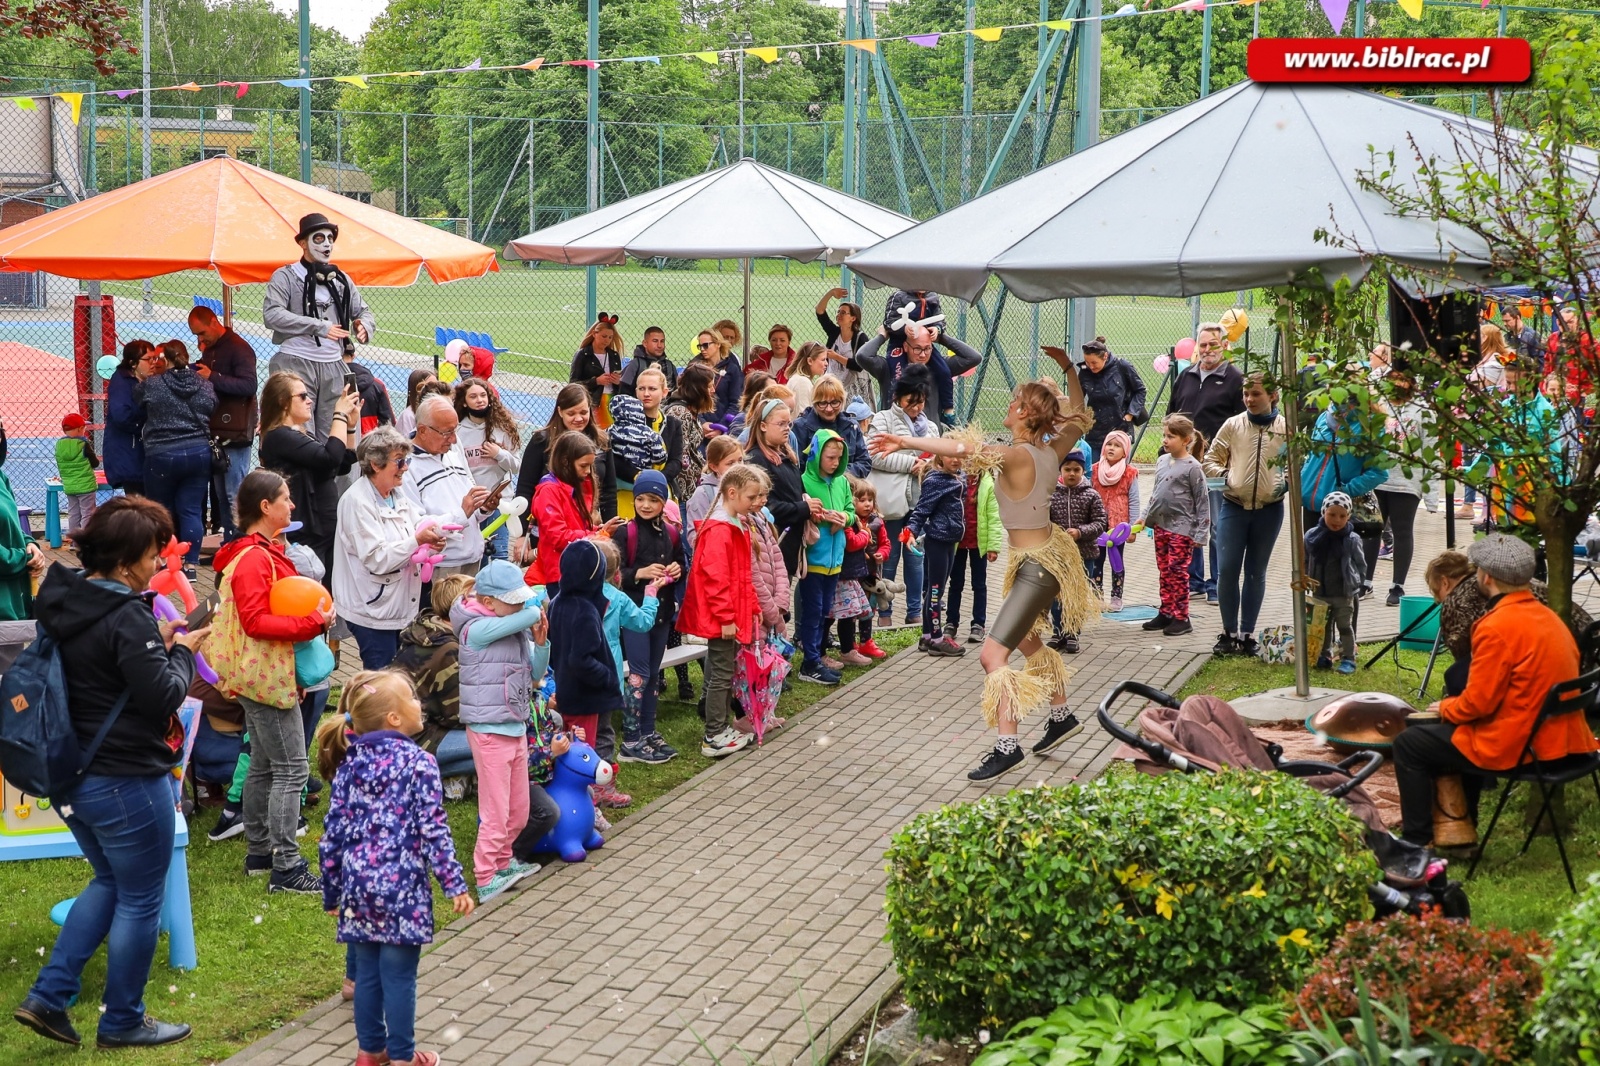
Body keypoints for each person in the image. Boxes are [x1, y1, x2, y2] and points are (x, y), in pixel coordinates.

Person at [13, 498, 206, 1051]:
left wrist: (158, 650)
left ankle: (49, 997)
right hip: (122, 777)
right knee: (141, 897)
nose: (156, 565)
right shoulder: (128, 615)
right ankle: (122, 1018)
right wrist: (184, 652)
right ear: (125, 563)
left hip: (71, 773)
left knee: (111, 881)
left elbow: (106, 673)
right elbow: (163, 696)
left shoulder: (68, 598)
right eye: (151, 556)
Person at [870, 355, 1097, 779]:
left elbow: (963, 448)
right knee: (1028, 641)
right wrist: (1069, 369)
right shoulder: (1053, 449)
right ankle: (1062, 715)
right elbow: (1080, 415)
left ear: (1025, 413)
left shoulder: (1018, 456)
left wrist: (906, 443)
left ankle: (1007, 746)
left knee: (993, 655)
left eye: (1014, 402)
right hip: (1047, 558)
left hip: (1038, 566)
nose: (1009, 405)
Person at [1393, 535, 1595, 846]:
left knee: (1410, 743)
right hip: (1569, 743)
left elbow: (1477, 706)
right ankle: (1461, 831)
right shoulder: (1550, 615)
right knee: (1456, 729)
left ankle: (1415, 842)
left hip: (1527, 747)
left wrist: (1445, 708)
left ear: (1486, 577)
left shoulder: (1496, 625)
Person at [315, 670, 474, 1066]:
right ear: (394, 719)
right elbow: (434, 831)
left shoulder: (350, 765)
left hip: (359, 889)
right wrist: (454, 885)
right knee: (400, 978)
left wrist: (332, 891)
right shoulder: (420, 763)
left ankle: (370, 1052)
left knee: (367, 975)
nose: (421, 704)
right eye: (413, 699)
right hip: (403, 891)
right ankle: (403, 1058)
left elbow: (332, 835)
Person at [211, 470, 335, 894]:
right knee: (292, 769)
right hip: (265, 676)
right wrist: (312, 623)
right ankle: (286, 866)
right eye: (285, 498)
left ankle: (260, 854)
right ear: (265, 507)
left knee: (263, 764)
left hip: (260, 672)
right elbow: (256, 621)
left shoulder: (257, 553)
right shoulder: (254, 559)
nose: (293, 505)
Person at [450, 559, 549, 901]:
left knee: (518, 809)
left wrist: (542, 642)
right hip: (489, 731)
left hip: (515, 725)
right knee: (495, 811)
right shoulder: (475, 629)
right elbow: (531, 613)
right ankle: (485, 874)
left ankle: (505, 862)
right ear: (488, 601)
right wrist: (535, 608)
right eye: (514, 599)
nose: (521, 605)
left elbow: (536, 672)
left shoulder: (512, 624)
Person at [334, 427, 450, 670]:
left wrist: (432, 534)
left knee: (397, 681)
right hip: (373, 613)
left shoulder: (395, 493)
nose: (406, 467)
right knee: (382, 686)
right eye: (399, 461)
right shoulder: (357, 502)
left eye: (406, 460)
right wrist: (417, 540)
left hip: (397, 608)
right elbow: (377, 558)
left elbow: (416, 520)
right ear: (376, 464)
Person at [678, 464, 765, 759]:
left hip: (731, 615)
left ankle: (720, 728)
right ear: (732, 493)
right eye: (751, 497)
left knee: (723, 672)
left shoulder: (734, 524)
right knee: (721, 675)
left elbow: (742, 575)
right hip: (723, 619)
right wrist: (727, 618)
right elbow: (716, 579)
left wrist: (752, 606)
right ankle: (714, 734)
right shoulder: (720, 530)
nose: (755, 503)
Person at [264, 213, 375, 439]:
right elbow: (272, 315)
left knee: (338, 431)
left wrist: (364, 325)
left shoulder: (341, 279)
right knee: (299, 432)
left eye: (330, 238)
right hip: (296, 363)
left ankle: (335, 474)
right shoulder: (285, 276)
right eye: (319, 238)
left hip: (334, 366)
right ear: (303, 243)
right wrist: (318, 326)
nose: (326, 243)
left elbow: (363, 310)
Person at [1425, 549, 1591, 697]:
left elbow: (1469, 661)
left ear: (1445, 582)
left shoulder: (1456, 602)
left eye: (1435, 591)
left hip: (1549, 669)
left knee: (1456, 676)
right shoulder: (1502, 579)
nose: (1437, 599)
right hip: (1583, 647)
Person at [1203, 375, 1287, 656]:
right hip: (1233, 506)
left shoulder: (1286, 428)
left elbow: (1299, 463)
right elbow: (1209, 460)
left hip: (1269, 510)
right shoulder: (1233, 424)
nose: (1249, 399)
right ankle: (1228, 634)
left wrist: (1283, 483)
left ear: (1273, 396)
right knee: (1226, 569)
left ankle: (1247, 634)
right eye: (1246, 394)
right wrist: (1228, 476)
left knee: (1255, 573)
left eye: (1256, 394)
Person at [613, 470, 684, 765]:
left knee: (654, 674)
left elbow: (680, 562)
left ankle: (647, 730)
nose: (644, 505)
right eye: (640, 498)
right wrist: (638, 574)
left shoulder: (670, 533)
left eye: (652, 499)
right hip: (634, 615)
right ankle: (630, 741)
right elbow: (613, 575)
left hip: (661, 613)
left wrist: (679, 571)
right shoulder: (624, 533)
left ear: (662, 501)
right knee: (639, 674)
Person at [1169, 322, 1243, 603]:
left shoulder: (1235, 379)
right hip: (1186, 463)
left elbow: (1241, 425)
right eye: (1203, 345)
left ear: (1224, 346)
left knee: (1215, 525)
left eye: (1213, 344)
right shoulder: (1185, 376)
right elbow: (1171, 416)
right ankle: (1194, 580)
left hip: (1217, 466)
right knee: (1189, 522)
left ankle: (1217, 584)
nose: (1208, 350)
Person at [259, 371, 359, 580]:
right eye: (303, 396)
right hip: (307, 530)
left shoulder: (298, 434)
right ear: (283, 402)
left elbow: (341, 464)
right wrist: (338, 414)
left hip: (322, 529)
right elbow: (329, 458)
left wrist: (349, 427)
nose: (310, 400)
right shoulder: (280, 436)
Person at [866, 366, 940, 627]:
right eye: (911, 401)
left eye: (921, 403)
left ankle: (914, 613)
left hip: (920, 503)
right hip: (892, 502)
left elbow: (937, 458)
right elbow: (874, 455)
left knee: (916, 558)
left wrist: (928, 465)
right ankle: (884, 614)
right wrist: (913, 463)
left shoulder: (931, 427)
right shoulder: (883, 419)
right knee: (889, 556)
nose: (916, 408)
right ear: (898, 396)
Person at [393, 573, 476, 790]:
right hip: (417, 738)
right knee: (496, 745)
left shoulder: (428, 629)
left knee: (489, 755)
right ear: (461, 607)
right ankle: (421, 776)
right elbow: (456, 716)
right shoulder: (448, 649)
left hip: (401, 734)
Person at [138, 340, 215, 570]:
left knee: (161, 509)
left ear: (165, 360)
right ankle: (191, 564)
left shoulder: (154, 384)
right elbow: (212, 405)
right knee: (191, 509)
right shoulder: (202, 383)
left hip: (162, 452)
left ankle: (163, 560)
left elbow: (137, 399)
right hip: (199, 451)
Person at [1300, 398, 1388, 597]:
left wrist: (1345, 492)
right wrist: (1300, 482)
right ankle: (1317, 621)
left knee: (1339, 573)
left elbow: (1379, 472)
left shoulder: (1369, 424)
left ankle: (1344, 621)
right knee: (1314, 567)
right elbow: (1313, 459)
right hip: (1312, 503)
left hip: (1339, 510)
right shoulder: (1325, 416)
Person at [405, 395, 495, 579]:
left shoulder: (452, 454)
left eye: (456, 431)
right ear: (422, 430)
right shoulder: (406, 468)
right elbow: (416, 527)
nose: (454, 440)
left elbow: (470, 511)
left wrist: (484, 507)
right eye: (447, 433)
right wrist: (462, 513)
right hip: (440, 566)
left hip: (471, 560)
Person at [190, 305, 258, 538]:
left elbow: (249, 386)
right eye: (196, 335)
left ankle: (238, 544)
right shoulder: (213, 348)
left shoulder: (239, 349)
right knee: (222, 494)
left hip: (235, 433)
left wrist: (213, 377)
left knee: (233, 494)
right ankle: (229, 543)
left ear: (213, 322)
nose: (200, 339)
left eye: (201, 333)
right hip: (218, 431)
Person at [546, 538, 619, 753]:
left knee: (567, 747)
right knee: (583, 751)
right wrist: (606, 676)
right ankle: (589, 787)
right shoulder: (585, 610)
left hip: (565, 689)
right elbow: (581, 659)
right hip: (584, 695)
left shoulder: (557, 601)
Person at [514, 383, 617, 534]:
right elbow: (525, 488)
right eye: (571, 413)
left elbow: (608, 491)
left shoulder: (602, 441)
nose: (578, 418)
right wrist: (523, 534)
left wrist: (610, 530)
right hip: (547, 529)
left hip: (587, 528)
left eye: (583, 412)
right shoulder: (542, 441)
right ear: (560, 412)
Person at [526, 432, 620, 591]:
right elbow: (558, 536)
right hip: (559, 573)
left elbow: (578, 528)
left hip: (577, 568)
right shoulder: (549, 491)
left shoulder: (576, 486)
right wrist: (595, 536)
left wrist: (600, 530)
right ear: (565, 462)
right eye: (583, 466)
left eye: (590, 465)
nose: (589, 471)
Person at [1141, 415, 1208, 638]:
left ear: (1186, 439)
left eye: (1171, 436)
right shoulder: (1161, 461)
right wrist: (1144, 517)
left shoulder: (1193, 467)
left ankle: (1182, 617)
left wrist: (1200, 533)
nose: (1165, 440)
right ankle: (1167, 611)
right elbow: (1155, 494)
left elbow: (1202, 501)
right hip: (1161, 526)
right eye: (1164, 435)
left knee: (1178, 571)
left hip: (1182, 528)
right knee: (1164, 570)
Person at [797, 431, 856, 685]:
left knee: (825, 611)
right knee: (813, 611)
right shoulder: (804, 482)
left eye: (838, 457)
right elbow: (802, 513)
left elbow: (852, 512)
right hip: (814, 559)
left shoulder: (842, 482)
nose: (835, 462)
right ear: (817, 455)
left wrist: (845, 518)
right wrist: (820, 516)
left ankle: (817, 656)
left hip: (836, 560)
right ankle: (809, 660)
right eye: (830, 457)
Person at [1370, 369, 1429, 606]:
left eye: (1402, 378)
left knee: (1403, 530)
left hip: (1407, 480)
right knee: (1372, 529)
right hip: (1379, 477)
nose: (1397, 383)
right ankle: (1364, 581)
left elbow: (1430, 447)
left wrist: (1430, 490)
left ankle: (1398, 585)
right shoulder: (1379, 404)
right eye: (1393, 379)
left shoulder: (1422, 409)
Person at [851, 323, 980, 423]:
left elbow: (974, 358)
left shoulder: (940, 367)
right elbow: (862, 356)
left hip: (930, 441)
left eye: (928, 348)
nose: (923, 354)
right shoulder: (889, 367)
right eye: (917, 348)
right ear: (905, 346)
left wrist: (941, 337)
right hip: (896, 440)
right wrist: (883, 336)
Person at [907, 451, 968, 657]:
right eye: (950, 456)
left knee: (937, 590)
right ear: (940, 458)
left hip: (950, 540)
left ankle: (926, 636)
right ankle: (937, 638)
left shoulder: (957, 476)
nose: (956, 459)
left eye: (960, 456)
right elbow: (921, 510)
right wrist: (911, 532)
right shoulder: (936, 480)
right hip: (938, 541)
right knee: (935, 592)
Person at [1046, 452, 1107, 655]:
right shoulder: (1052, 494)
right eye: (1067, 469)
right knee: (1057, 595)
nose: (1072, 473)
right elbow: (1044, 522)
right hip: (1058, 555)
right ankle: (1058, 631)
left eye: (1076, 470)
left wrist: (1081, 532)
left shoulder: (1091, 495)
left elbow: (1100, 522)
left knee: (1077, 595)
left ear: (1083, 471)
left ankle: (1073, 632)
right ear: (1060, 471)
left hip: (1084, 553)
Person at [743, 396, 811, 578]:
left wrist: (808, 500)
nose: (787, 429)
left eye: (789, 424)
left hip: (788, 544)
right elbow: (764, 506)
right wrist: (803, 508)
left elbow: (797, 491)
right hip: (771, 544)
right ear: (763, 426)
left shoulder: (786, 455)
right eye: (781, 424)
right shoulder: (756, 458)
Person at [454, 379, 521, 561]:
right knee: (475, 558)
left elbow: (516, 467)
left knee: (498, 557)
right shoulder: (457, 432)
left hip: (499, 505)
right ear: (464, 402)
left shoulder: (502, 428)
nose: (479, 400)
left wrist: (500, 453)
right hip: (472, 507)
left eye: (483, 395)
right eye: (473, 396)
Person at [1304, 492, 1365, 674]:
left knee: (1344, 626)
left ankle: (1349, 658)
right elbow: (1306, 559)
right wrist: (1307, 578)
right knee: (1323, 626)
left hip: (1343, 592)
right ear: (1323, 512)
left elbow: (1361, 564)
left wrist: (1357, 584)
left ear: (1348, 516)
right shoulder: (1312, 536)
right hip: (1320, 591)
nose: (1337, 520)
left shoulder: (1352, 540)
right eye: (1332, 514)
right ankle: (1325, 655)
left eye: (1342, 516)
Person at [831, 477, 887, 664]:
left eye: (870, 500)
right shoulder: (851, 522)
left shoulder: (877, 522)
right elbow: (852, 544)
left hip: (870, 574)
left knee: (868, 609)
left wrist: (881, 553)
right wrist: (864, 534)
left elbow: (886, 544)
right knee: (850, 611)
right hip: (852, 573)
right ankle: (850, 645)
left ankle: (866, 641)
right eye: (861, 500)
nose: (867, 504)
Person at [948, 456, 1001, 645]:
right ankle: (951, 622)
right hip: (957, 541)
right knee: (956, 583)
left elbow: (994, 516)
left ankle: (978, 623)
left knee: (979, 584)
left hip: (979, 542)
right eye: (967, 461)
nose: (970, 465)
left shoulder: (988, 483)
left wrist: (994, 546)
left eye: (975, 461)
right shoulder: (954, 479)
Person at [0, 417, 48, 620]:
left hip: (13, 604)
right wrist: (24, 558)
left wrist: (30, 544)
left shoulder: (1, 477)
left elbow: (11, 525)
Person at [1089, 429, 1139, 614]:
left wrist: (1133, 528)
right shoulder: (1094, 470)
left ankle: (1117, 596)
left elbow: (1134, 501)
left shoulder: (1129, 473)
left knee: (1117, 561)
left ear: (1125, 451)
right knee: (1096, 560)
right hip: (1097, 525)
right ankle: (1096, 596)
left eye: (1117, 446)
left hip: (1119, 528)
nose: (1112, 448)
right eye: (1109, 444)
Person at [1076, 338, 1148, 460]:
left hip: (1119, 428)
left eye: (1094, 363)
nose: (1091, 367)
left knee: (1117, 472)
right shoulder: (1085, 372)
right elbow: (1077, 399)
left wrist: (1130, 414)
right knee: (1094, 472)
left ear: (1105, 356)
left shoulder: (1122, 367)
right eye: (1087, 363)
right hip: (1094, 430)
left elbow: (1140, 390)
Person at [104, 340, 157, 496]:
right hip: (130, 453)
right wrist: (146, 426)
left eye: (155, 358)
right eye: (148, 359)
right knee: (139, 504)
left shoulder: (143, 381)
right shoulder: (122, 383)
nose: (153, 363)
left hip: (137, 453)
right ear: (133, 363)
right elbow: (121, 415)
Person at [793, 375, 871, 479]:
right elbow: (795, 468)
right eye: (823, 403)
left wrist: (839, 474)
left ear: (842, 401)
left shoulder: (852, 426)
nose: (829, 409)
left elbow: (864, 462)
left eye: (834, 402)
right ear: (815, 403)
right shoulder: (800, 427)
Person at [606, 393, 668, 519]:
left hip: (617, 481)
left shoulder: (609, 431)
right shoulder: (649, 434)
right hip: (642, 480)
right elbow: (660, 457)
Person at [662, 363, 716, 504]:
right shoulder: (680, 413)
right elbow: (682, 458)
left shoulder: (690, 410)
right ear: (699, 389)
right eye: (710, 386)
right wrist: (693, 493)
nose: (713, 390)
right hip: (683, 495)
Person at [630, 367, 684, 498]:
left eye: (652, 389)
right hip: (630, 490)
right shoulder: (626, 424)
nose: (646, 394)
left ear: (664, 392)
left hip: (663, 488)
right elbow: (617, 461)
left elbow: (676, 461)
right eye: (642, 389)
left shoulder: (673, 424)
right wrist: (642, 479)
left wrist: (657, 480)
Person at [686, 436, 744, 551]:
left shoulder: (747, 488)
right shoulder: (703, 494)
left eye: (740, 460)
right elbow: (695, 536)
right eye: (730, 463)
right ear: (714, 466)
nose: (738, 466)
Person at [569, 314, 625, 424]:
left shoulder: (614, 355)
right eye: (604, 336)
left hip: (612, 401)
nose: (607, 340)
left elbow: (620, 382)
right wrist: (597, 381)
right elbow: (573, 384)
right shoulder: (583, 354)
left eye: (610, 337)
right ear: (594, 334)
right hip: (592, 402)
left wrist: (618, 382)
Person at [55, 412, 100, 536]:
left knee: (73, 513)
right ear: (80, 429)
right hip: (86, 486)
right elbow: (95, 463)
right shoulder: (83, 444)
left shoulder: (59, 445)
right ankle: (85, 540)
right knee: (88, 513)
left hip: (70, 485)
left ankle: (74, 541)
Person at [1544, 305, 1594, 412]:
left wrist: (1586, 389)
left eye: (1570, 322)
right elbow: (1547, 364)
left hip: (1575, 395)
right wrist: (1544, 385)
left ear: (1577, 322)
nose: (1566, 326)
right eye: (1563, 322)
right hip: (1554, 393)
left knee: (1574, 425)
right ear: (1558, 322)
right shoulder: (1552, 338)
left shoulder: (1587, 341)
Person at [693, 328, 746, 427]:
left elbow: (736, 402)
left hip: (726, 427)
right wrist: (702, 424)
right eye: (700, 346)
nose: (702, 349)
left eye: (706, 345)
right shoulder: (695, 367)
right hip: (700, 426)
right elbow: (691, 400)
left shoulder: (732, 368)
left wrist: (722, 426)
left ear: (718, 344)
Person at [343, 347, 394, 435]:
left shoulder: (329, 383)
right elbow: (389, 422)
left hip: (338, 438)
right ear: (353, 356)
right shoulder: (377, 384)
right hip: (368, 440)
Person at [618, 324, 678, 396]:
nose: (659, 345)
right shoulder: (635, 365)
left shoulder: (669, 366)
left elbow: (676, 393)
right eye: (655, 341)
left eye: (662, 341)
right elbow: (624, 394)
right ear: (645, 343)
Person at [784, 341, 832, 413]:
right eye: (823, 360)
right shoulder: (802, 382)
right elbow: (803, 415)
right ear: (810, 361)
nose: (826, 363)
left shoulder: (801, 379)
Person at [397, 370, 439, 440]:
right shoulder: (408, 415)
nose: (435, 389)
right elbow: (407, 443)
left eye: (436, 385)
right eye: (429, 386)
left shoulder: (435, 411)